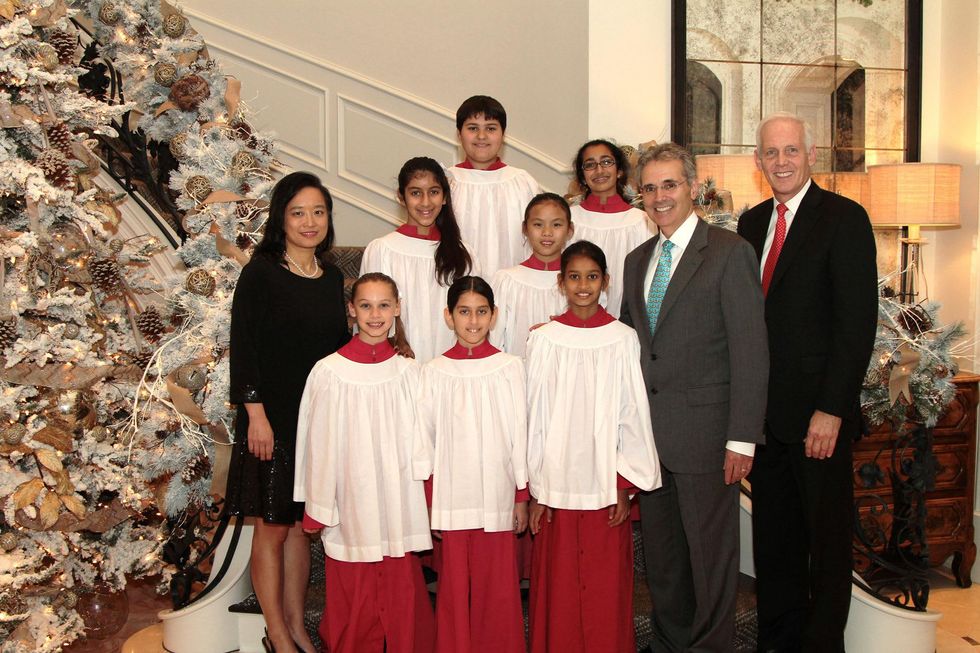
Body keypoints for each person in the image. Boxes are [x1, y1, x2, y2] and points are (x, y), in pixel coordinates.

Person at [737, 112, 878, 653]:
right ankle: (778, 643)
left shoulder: (843, 218)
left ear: (811, 155)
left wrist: (832, 409)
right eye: (771, 153)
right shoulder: (751, 224)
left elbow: (855, 324)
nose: (781, 162)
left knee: (827, 546)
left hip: (819, 420)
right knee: (776, 547)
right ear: (758, 161)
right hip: (766, 421)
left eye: (791, 150)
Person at [621, 142, 769, 652]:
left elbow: (751, 352)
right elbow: (628, 345)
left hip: (708, 440)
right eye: (650, 187)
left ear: (692, 187)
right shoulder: (636, 261)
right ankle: (670, 645)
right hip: (650, 442)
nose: (660, 196)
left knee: (710, 563)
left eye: (670, 184)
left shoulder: (729, 253)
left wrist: (742, 439)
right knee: (664, 565)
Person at [226, 171, 349, 653]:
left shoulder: (332, 277)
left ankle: (297, 627)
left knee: (301, 527)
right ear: (281, 218)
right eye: (298, 212)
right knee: (273, 527)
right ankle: (276, 633)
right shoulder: (261, 273)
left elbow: (336, 350)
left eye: (318, 211)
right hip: (271, 420)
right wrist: (255, 415)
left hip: (315, 421)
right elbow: (244, 347)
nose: (310, 221)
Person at [525, 240, 661, 653]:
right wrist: (537, 490)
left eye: (591, 276)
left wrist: (622, 484)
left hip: (604, 485)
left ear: (605, 281)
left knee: (605, 592)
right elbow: (534, 417)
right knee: (560, 591)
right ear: (560, 282)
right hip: (556, 487)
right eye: (574, 277)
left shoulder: (622, 339)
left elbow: (632, 412)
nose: (583, 285)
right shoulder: (544, 339)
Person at [295, 273, 434, 653]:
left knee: (402, 597)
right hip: (351, 503)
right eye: (366, 306)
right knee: (354, 604)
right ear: (352, 310)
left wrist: (426, 496)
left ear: (397, 309)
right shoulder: (329, 372)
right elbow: (317, 444)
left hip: (397, 501)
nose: (375, 315)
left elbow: (424, 442)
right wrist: (317, 506)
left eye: (384, 305)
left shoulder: (409, 372)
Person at [413, 275, 528, 653]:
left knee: (499, 591)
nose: (473, 321)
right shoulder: (433, 371)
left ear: (494, 315)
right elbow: (424, 441)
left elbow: (520, 434)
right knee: (454, 592)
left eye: (481, 312)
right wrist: (430, 502)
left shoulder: (509, 367)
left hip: (497, 495)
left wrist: (521, 496)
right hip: (451, 498)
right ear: (448, 316)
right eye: (464, 312)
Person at [360, 157, 479, 362]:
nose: (425, 202)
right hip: (398, 363)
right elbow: (370, 316)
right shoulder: (382, 250)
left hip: (451, 364)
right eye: (415, 193)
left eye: (434, 192)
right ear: (401, 197)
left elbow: (473, 313)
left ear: (444, 196)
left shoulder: (463, 253)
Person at [446, 95, 541, 276]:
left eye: (490, 128)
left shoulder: (522, 182)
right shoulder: (447, 182)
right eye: (472, 128)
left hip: (513, 284)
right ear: (459, 134)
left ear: (503, 135)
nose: (481, 136)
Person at [569, 138, 655, 317]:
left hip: (626, 319)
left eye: (607, 162)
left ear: (619, 171)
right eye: (590, 165)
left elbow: (649, 278)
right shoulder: (570, 219)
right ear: (582, 176)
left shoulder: (642, 221)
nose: (599, 170)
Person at [491, 192, 572, 357]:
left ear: (570, 230)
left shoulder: (578, 283)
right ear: (525, 228)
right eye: (538, 224)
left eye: (556, 224)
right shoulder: (507, 281)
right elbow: (494, 340)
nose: (547, 232)